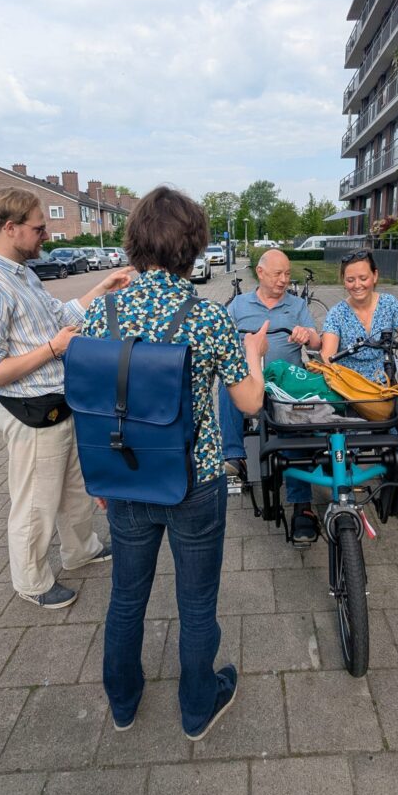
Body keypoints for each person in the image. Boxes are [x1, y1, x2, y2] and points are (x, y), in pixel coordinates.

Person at [82, 186, 268, 740]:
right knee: (196, 600)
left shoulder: (102, 311)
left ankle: (122, 702)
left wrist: (99, 477)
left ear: (135, 241)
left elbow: (92, 401)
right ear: (194, 246)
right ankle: (196, 708)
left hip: (124, 476)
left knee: (126, 595)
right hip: (195, 480)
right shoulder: (208, 318)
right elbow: (249, 403)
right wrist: (253, 356)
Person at [0, 187, 132, 609]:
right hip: (31, 412)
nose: (46, 235)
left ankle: (80, 549)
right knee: (35, 501)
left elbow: (61, 318)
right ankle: (31, 581)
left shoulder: (22, 272)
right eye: (38, 227)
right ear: (10, 228)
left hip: (59, 403)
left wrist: (102, 288)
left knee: (74, 489)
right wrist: (52, 351)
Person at [319, 249, 398, 524]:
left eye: (362, 277)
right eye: (350, 279)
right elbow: (328, 351)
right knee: (341, 436)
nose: (357, 284)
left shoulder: (390, 304)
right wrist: (327, 362)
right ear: (343, 281)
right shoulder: (337, 313)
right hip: (351, 389)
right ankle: (344, 491)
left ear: (374, 276)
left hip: (384, 387)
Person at [218, 248, 322, 545]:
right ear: (260, 273)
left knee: (298, 428)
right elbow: (222, 342)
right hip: (251, 378)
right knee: (228, 380)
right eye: (278, 274)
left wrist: (307, 335)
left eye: (288, 274)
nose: (284, 280)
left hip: (286, 383)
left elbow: (316, 343)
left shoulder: (297, 304)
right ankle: (235, 456)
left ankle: (302, 506)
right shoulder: (239, 304)